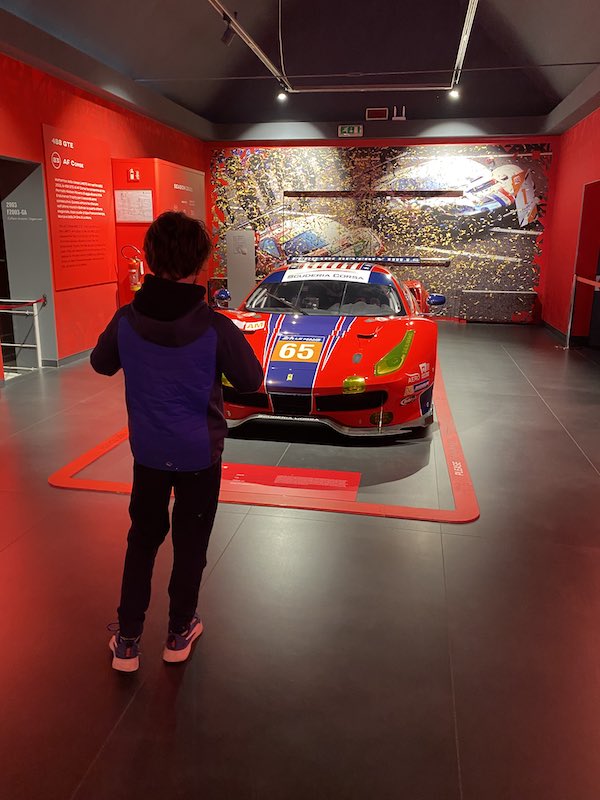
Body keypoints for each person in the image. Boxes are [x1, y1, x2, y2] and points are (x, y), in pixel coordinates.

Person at [91, 211, 263, 673]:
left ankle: (127, 640)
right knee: (191, 545)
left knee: (142, 540)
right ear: (202, 265)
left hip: (147, 453)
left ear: (148, 258)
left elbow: (100, 364)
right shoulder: (214, 326)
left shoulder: (127, 318)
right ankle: (178, 632)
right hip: (199, 456)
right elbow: (250, 381)